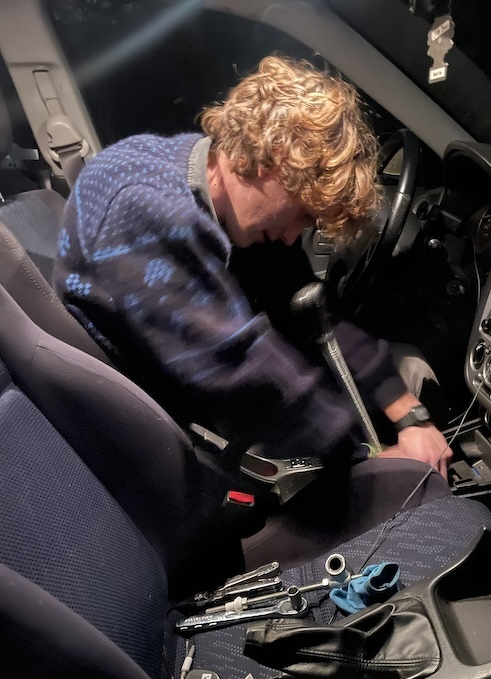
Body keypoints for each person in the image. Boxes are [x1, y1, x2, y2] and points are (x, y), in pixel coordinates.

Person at [52, 54, 453, 568]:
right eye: (304, 215)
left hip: (185, 419)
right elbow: (242, 374)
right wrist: (374, 465)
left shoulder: (206, 182)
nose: (294, 235)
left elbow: (308, 311)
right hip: (151, 473)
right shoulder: (149, 209)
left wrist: (408, 414)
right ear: (272, 161)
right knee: (416, 502)